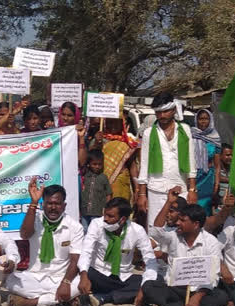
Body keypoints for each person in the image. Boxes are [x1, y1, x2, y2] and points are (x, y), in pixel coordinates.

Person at [142, 197, 228, 306]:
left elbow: (213, 275)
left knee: (221, 297)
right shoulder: (173, 236)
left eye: (183, 220)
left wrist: (197, 297)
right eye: (178, 220)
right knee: (148, 286)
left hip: (199, 291)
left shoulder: (211, 242)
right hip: (174, 289)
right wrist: (168, 203)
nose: (178, 223)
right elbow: (155, 232)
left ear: (196, 224)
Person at [5, 180, 84, 306]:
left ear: (64, 206)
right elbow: (24, 234)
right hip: (34, 277)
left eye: (57, 204)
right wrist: (33, 203)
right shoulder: (35, 219)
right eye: (49, 203)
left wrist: (65, 283)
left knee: (81, 283)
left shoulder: (75, 227)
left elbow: (75, 259)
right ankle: (62, 299)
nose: (53, 207)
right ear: (43, 204)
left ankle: (29, 303)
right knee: (10, 281)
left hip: (61, 278)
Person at [78, 197, 158, 306]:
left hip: (123, 277)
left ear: (123, 219)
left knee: (156, 280)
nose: (105, 219)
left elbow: (150, 261)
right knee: (84, 271)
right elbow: (86, 251)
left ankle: (105, 297)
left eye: (110, 216)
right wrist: (83, 275)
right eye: (105, 214)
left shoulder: (137, 230)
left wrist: (145, 286)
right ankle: (121, 295)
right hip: (98, 274)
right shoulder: (96, 224)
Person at [136, 92, 196, 227]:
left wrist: (192, 190)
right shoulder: (148, 133)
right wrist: (142, 194)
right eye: (158, 112)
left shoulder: (185, 130)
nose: (162, 116)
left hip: (180, 188)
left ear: (174, 110)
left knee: (178, 229)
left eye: (165, 111)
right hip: (156, 190)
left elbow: (191, 161)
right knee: (155, 230)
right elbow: (144, 165)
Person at [95, 117, 138, 203]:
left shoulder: (128, 142)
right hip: (102, 182)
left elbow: (132, 166)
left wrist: (137, 188)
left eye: (115, 123)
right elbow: (92, 157)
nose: (112, 125)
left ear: (122, 124)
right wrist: (97, 142)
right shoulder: (99, 139)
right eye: (110, 122)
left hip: (121, 182)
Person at [191, 109, 222, 216]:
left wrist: (217, 183)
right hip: (193, 177)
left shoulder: (215, 138)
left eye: (206, 119)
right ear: (196, 120)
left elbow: (217, 165)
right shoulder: (190, 136)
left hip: (208, 178)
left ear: (210, 120)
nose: (203, 122)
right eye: (200, 119)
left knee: (205, 207)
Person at [80, 149, 112, 228]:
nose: (97, 166)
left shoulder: (103, 178)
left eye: (99, 164)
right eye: (94, 164)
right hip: (84, 211)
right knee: (84, 229)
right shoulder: (85, 176)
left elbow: (109, 193)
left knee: (95, 230)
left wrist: (106, 207)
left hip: (97, 212)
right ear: (89, 164)